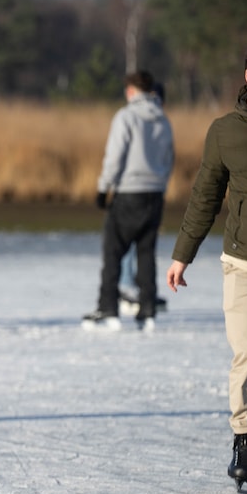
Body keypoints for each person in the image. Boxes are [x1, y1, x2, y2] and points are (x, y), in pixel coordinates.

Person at [166, 34, 247, 491]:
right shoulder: (224, 131)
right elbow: (205, 195)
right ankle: (246, 436)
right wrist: (183, 254)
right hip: (245, 264)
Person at [82, 70, 174, 332]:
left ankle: (108, 308)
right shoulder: (163, 119)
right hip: (154, 195)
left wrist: (103, 188)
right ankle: (147, 310)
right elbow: (169, 158)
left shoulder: (126, 116)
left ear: (132, 91)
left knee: (113, 252)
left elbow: (115, 155)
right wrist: (160, 185)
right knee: (146, 254)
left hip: (128, 194)